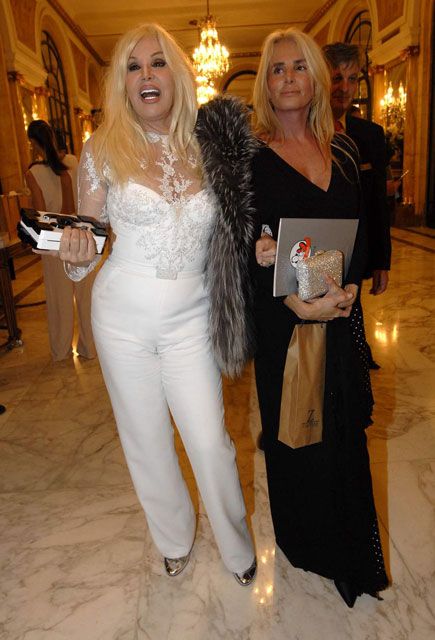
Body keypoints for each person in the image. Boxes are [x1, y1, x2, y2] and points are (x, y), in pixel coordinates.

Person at [56, 23, 257, 585]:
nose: (146, 74)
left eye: (158, 62)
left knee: (210, 441)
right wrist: (76, 252)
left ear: (178, 75)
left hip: (193, 317)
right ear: (123, 83)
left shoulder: (212, 144)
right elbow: (88, 236)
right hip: (121, 319)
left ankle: (236, 546)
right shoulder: (101, 149)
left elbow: (242, 222)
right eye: (133, 66)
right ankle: (174, 538)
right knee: (146, 440)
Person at [251, 27, 389, 607]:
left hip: (337, 315)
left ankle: (349, 548)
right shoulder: (251, 159)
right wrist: (285, 291)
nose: (288, 78)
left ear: (317, 78)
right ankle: (307, 542)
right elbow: (240, 243)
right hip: (283, 323)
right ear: (266, 82)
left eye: (298, 66)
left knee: (343, 431)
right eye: (277, 68)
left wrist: (352, 285)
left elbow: (357, 229)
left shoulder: (344, 152)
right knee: (297, 434)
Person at [323, 42, 391, 369]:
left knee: (351, 313)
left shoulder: (370, 135)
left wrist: (381, 260)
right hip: (315, 247)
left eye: (352, 79)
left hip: (356, 250)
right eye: (337, 78)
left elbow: (378, 204)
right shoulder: (301, 130)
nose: (345, 88)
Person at [25, 120, 96, 361]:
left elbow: (41, 213)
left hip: (54, 238)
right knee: (85, 296)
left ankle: (61, 350)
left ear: (33, 143)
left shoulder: (33, 173)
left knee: (59, 299)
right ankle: (89, 348)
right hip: (80, 234)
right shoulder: (73, 162)